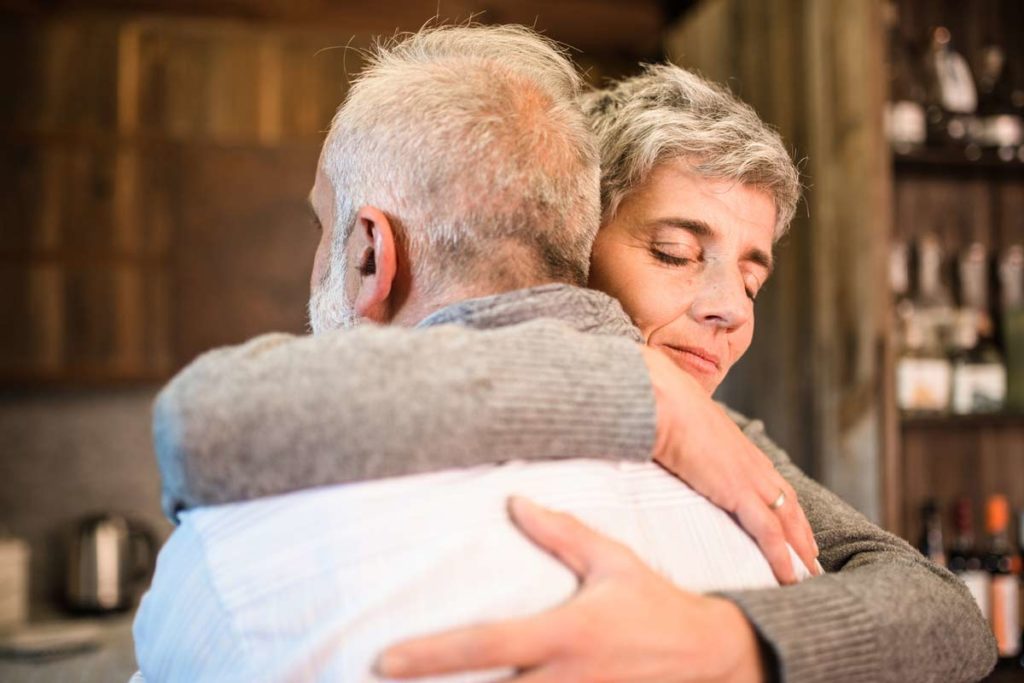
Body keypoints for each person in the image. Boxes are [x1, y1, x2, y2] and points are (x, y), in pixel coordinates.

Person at [138, 29, 996, 683]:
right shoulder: (642, 405)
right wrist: (628, 386)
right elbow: (211, 418)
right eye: (671, 250)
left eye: (754, 276)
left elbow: (950, 617)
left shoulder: (728, 442)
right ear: (574, 236)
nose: (732, 308)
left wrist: (732, 638)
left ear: (370, 252)